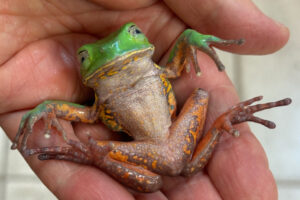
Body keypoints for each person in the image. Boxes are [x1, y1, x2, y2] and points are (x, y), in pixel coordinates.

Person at [0, 0, 289, 199]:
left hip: (173, 139)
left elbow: (176, 63)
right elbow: (87, 114)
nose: (115, 50)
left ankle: (222, 122)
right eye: (85, 56)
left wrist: (191, 37)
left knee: (201, 95)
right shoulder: (102, 94)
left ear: (145, 43)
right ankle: (223, 122)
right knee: (139, 174)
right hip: (146, 151)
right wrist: (45, 108)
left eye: (135, 33)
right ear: (86, 70)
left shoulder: (159, 69)